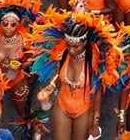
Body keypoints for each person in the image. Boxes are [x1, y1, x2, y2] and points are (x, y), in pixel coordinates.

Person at [33, 11, 120, 140]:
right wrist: (51, 86)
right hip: (62, 106)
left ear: (84, 43)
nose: (71, 50)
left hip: (83, 110)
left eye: (75, 46)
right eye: (68, 45)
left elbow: (97, 93)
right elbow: (60, 74)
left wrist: (95, 123)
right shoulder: (64, 53)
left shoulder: (95, 60)